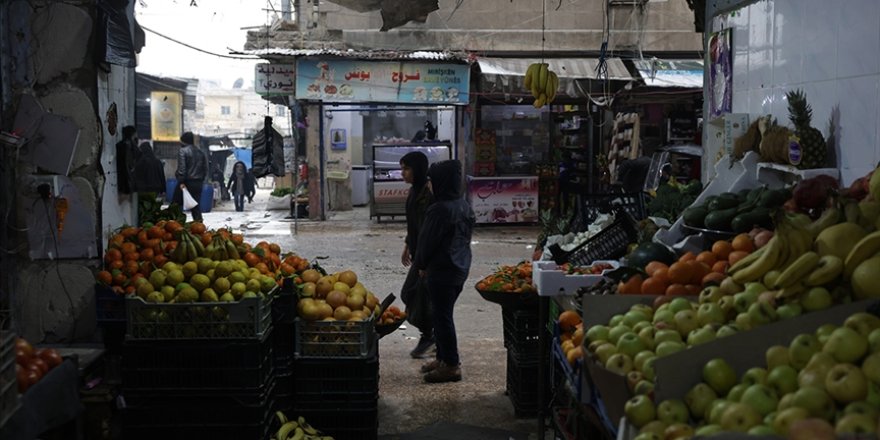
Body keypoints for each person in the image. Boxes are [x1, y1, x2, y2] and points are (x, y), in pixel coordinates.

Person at [413, 159, 475, 383]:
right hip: (459, 268)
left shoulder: (438, 210)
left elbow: (426, 242)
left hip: (442, 271)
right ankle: (442, 357)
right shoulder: (463, 205)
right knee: (442, 315)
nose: (428, 184)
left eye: (431, 180)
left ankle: (450, 365)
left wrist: (420, 264)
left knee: (442, 317)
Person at [398, 151, 435, 359]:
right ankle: (430, 335)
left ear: (418, 169)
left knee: (414, 294)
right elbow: (414, 224)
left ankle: (430, 336)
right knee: (412, 294)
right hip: (419, 251)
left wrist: (424, 262)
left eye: (407, 168)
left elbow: (428, 228)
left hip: (427, 256)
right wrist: (407, 244)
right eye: (402, 168)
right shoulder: (415, 191)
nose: (403, 173)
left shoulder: (427, 193)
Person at [173, 132, 208, 222]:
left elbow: (182, 169)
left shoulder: (183, 151)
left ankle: (175, 227)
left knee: (175, 206)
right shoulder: (201, 152)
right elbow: (205, 169)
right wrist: (201, 180)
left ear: (183, 141)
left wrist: (181, 182)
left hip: (186, 182)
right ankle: (199, 227)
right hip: (198, 183)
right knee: (195, 206)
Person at [115, 126, 140, 194]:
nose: (136, 138)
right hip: (125, 183)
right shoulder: (127, 147)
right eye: (135, 135)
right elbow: (127, 166)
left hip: (125, 183)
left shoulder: (126, 146)